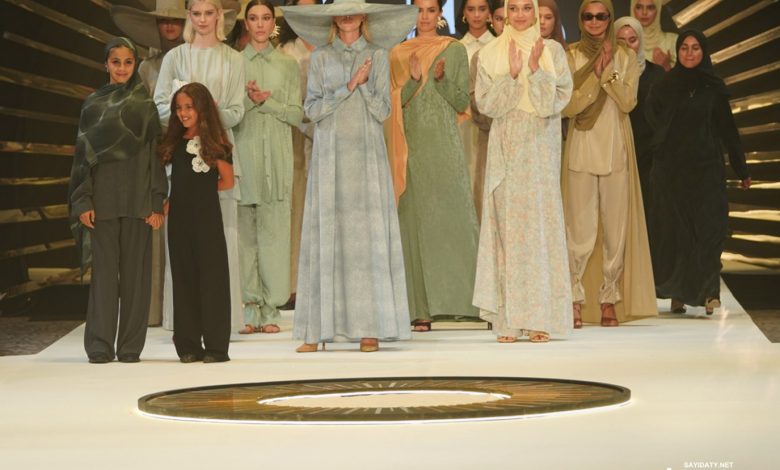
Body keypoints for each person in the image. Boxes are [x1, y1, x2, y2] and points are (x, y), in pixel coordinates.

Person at [280, 0, 417, 352]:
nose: (347, 16)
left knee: (366, 239)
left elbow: (383, 110)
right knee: (327, 234)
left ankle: (370, 328)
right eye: (340, 10)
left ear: (364, 16)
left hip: (367, 157)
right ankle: (316, 330)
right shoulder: (320, 58)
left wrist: (365, 86)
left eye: (353, 10)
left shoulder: (378, 55)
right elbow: (311, 110)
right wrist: (350, 84)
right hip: (330, 155)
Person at [473, 0, 573, 343]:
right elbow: (486, 105)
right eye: (512, 8)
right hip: (506, 150)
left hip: (540, 149)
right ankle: (509, 321)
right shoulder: (490, 53)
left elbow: (552, 104)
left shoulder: (553, 52)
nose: (519, 15)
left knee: (539, 232)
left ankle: (539, 319)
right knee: (507, 232)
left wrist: (536, 69)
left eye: (526, 8)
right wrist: (513, 75)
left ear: (535, 11)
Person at [68, 37, 167, 363]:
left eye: (128, 62)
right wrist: (83, 201)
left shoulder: (145, 106)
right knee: (104, 278)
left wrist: (157, 201)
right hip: (104, 201)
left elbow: (155, 158)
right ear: (106, 65)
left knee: (137, 278)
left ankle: (130, 347)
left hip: (139, 201)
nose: (122, 68)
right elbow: (83, 159)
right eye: (116, 62)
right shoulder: (92, 105)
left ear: (135, 64)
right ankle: (99, 344)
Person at [561, 0, 657, 328]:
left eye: (601, 16)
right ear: (581, 19)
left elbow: (628, 102)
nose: (594, 21)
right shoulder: (571, 55)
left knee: (616, 228)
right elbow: (567, 106)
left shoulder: (625, 56)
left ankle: (608, 298)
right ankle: (574, 297)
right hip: (582, 144)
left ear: (609, 18)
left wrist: (608, 75)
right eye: (588, 16)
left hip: (615, 144)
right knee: (579, 229)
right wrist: (595, 77)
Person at [389, 0, 481, 332]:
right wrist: (413, 81)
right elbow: (389, 104)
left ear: (440, 14)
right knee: (413, 224)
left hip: (443, 146)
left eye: (431, 10)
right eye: (419, 10)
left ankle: (464, 305)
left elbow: (461, 101)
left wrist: (440, 80)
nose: (425, 16)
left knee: (452, 220)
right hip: (409, 147)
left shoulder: (453, 50)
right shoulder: (397, 53)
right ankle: (419, 310)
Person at [153, 0, 245, 333]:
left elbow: (237, 111)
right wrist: (189, 114)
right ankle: (185, 325)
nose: (203, 19)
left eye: (209, 13)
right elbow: (160, 106)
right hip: (180, 157)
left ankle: (220, 324)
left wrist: (206, 115)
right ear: (188, 16)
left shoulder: (234, 58)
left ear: (219, 15)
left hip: (216, 152)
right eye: (196, 13)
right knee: (182, 243)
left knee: (219, 240)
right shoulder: (175, 57)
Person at [644, 30, 750, 315]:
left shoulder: (714, 87)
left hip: (707, 169)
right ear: (677, 52)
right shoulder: (664, 87)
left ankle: (709, 292)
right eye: (684, 48)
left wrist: (741, 168)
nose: (689, 53)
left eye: (695, 48)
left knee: (709, 230)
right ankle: (678, 293)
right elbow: (651, 122)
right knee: (677, 233)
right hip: (672, 172)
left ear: (704, 52)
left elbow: (728, 129)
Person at [110, 0, 186, 328]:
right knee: (155, 228)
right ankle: (155, 307)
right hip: (154, 152)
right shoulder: (145, 68)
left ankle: (182, 309)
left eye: (176, 20)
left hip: (186, 150)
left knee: (183, 227)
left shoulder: (190, 60)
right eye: (164, 20)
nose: (169, 26)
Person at [234, 0, 303, 334]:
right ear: (245, 23)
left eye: (265, 18)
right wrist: (249, 101)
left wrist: (268, 101)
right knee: (245, 234)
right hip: (243, 152)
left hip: (277, 155)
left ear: (273, 22)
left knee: (275, 232)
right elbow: (226, 113)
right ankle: (250, 308)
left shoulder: (288, 64)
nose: (259, 24)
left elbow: (296, 115)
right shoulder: (233, 62)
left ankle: (272, 309)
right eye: (253, 18)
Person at [159, 83, 234, 362]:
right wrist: (170, 202)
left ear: (202, 108)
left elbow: (227, 182)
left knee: (212, 280)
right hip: (179, 221)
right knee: (184, 279)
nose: (183, 113)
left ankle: (216, 347)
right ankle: (188, 346)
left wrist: (200, 192)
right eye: (179, 108)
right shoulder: (174, 142)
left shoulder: (216, 143)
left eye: (189, 107)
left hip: (207, 219)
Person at [277, 0, 320, 311]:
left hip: (326, 138)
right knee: (294, 209)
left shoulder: (329, 48)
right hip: (292, 140)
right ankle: (292, 285)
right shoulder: (285, 53)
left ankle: (320, 285)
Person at [614, 16, 665, 233]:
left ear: (640, 41)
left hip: (648, 155)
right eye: (621, 41)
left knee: (648, 214)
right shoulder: (608, 73)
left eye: (632, 40)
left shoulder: (656, 74)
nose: (627, 46)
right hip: (616, 153)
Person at [457, 0, 495, 221]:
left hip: (493, 122)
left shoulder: (499, 46)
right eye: (471, 9)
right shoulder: (456, 48)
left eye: (482, 9)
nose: (477, 15)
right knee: (468, 176)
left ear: (490, 13)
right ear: (464, 13)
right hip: (464, 120)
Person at [631, 0, 676, 71]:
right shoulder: (622, 43)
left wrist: (666, 67)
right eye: (639, 7)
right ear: (632, 9)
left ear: (658, 10)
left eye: (650, 8)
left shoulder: (673, 41)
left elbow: (687, 76)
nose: (644, 12)